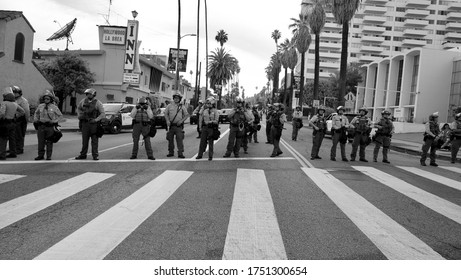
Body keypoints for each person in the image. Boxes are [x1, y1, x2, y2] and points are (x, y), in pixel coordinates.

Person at [75, 88, 105, 160]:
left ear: (94, 94)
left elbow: (102, 114)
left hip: (94, 124)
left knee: (94, 140)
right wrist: (80, 115)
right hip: (85, 123)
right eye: (87, 94)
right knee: (84, 140)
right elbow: (78, 108)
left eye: (90, 94)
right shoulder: (83, 101)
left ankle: (95, 155)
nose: (89, 95)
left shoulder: (98, 102)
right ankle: (83, 155)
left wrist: (96, 120)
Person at [33, 90, 62, 160]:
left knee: (49, 142)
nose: (46, 100)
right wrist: (36, 119)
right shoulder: (40, 106)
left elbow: (60, 116)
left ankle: (49, 156)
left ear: (51, 99)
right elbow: (36, 113)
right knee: (41, 142)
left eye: (47, 99)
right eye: (45, 99)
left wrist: (54, 121)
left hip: (50, 126)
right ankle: (40, 155)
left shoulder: (54, 107)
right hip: (41, 126)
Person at [0, 87, 25, 160]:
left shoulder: (4, 103)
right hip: (12, 122)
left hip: (4, 123)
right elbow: (23, 111)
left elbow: (2, 113)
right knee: (12, 138)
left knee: (3, 138)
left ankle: (2, 154)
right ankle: (13, 152)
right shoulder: (15, 104)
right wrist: (15, 116)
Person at [165, 91, 189, 158]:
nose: (176, 99)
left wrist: (181, 121)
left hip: (178, 126)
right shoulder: (169, 106)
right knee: (170, 139)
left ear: (180, 99)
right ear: (173, 98)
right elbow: (166, 114)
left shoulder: (182, 107)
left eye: (177, 98)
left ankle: (180, 153)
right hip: (171, 125)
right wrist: (167, 120)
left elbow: (186, 115)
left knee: (179, 139)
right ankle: (171, 152)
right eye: (175, 98)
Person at [12, 86, 30, 155]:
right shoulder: (13, 100)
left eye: (15, 92)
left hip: (20, 119)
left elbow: (26, 111)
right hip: (14, 119)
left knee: (19, 134)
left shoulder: (23, 101)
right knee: (14, 135)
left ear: (19, 93)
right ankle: (14, 148)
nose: (14, 94)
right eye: (13, 92)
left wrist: (26, 120)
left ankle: (19, 148)